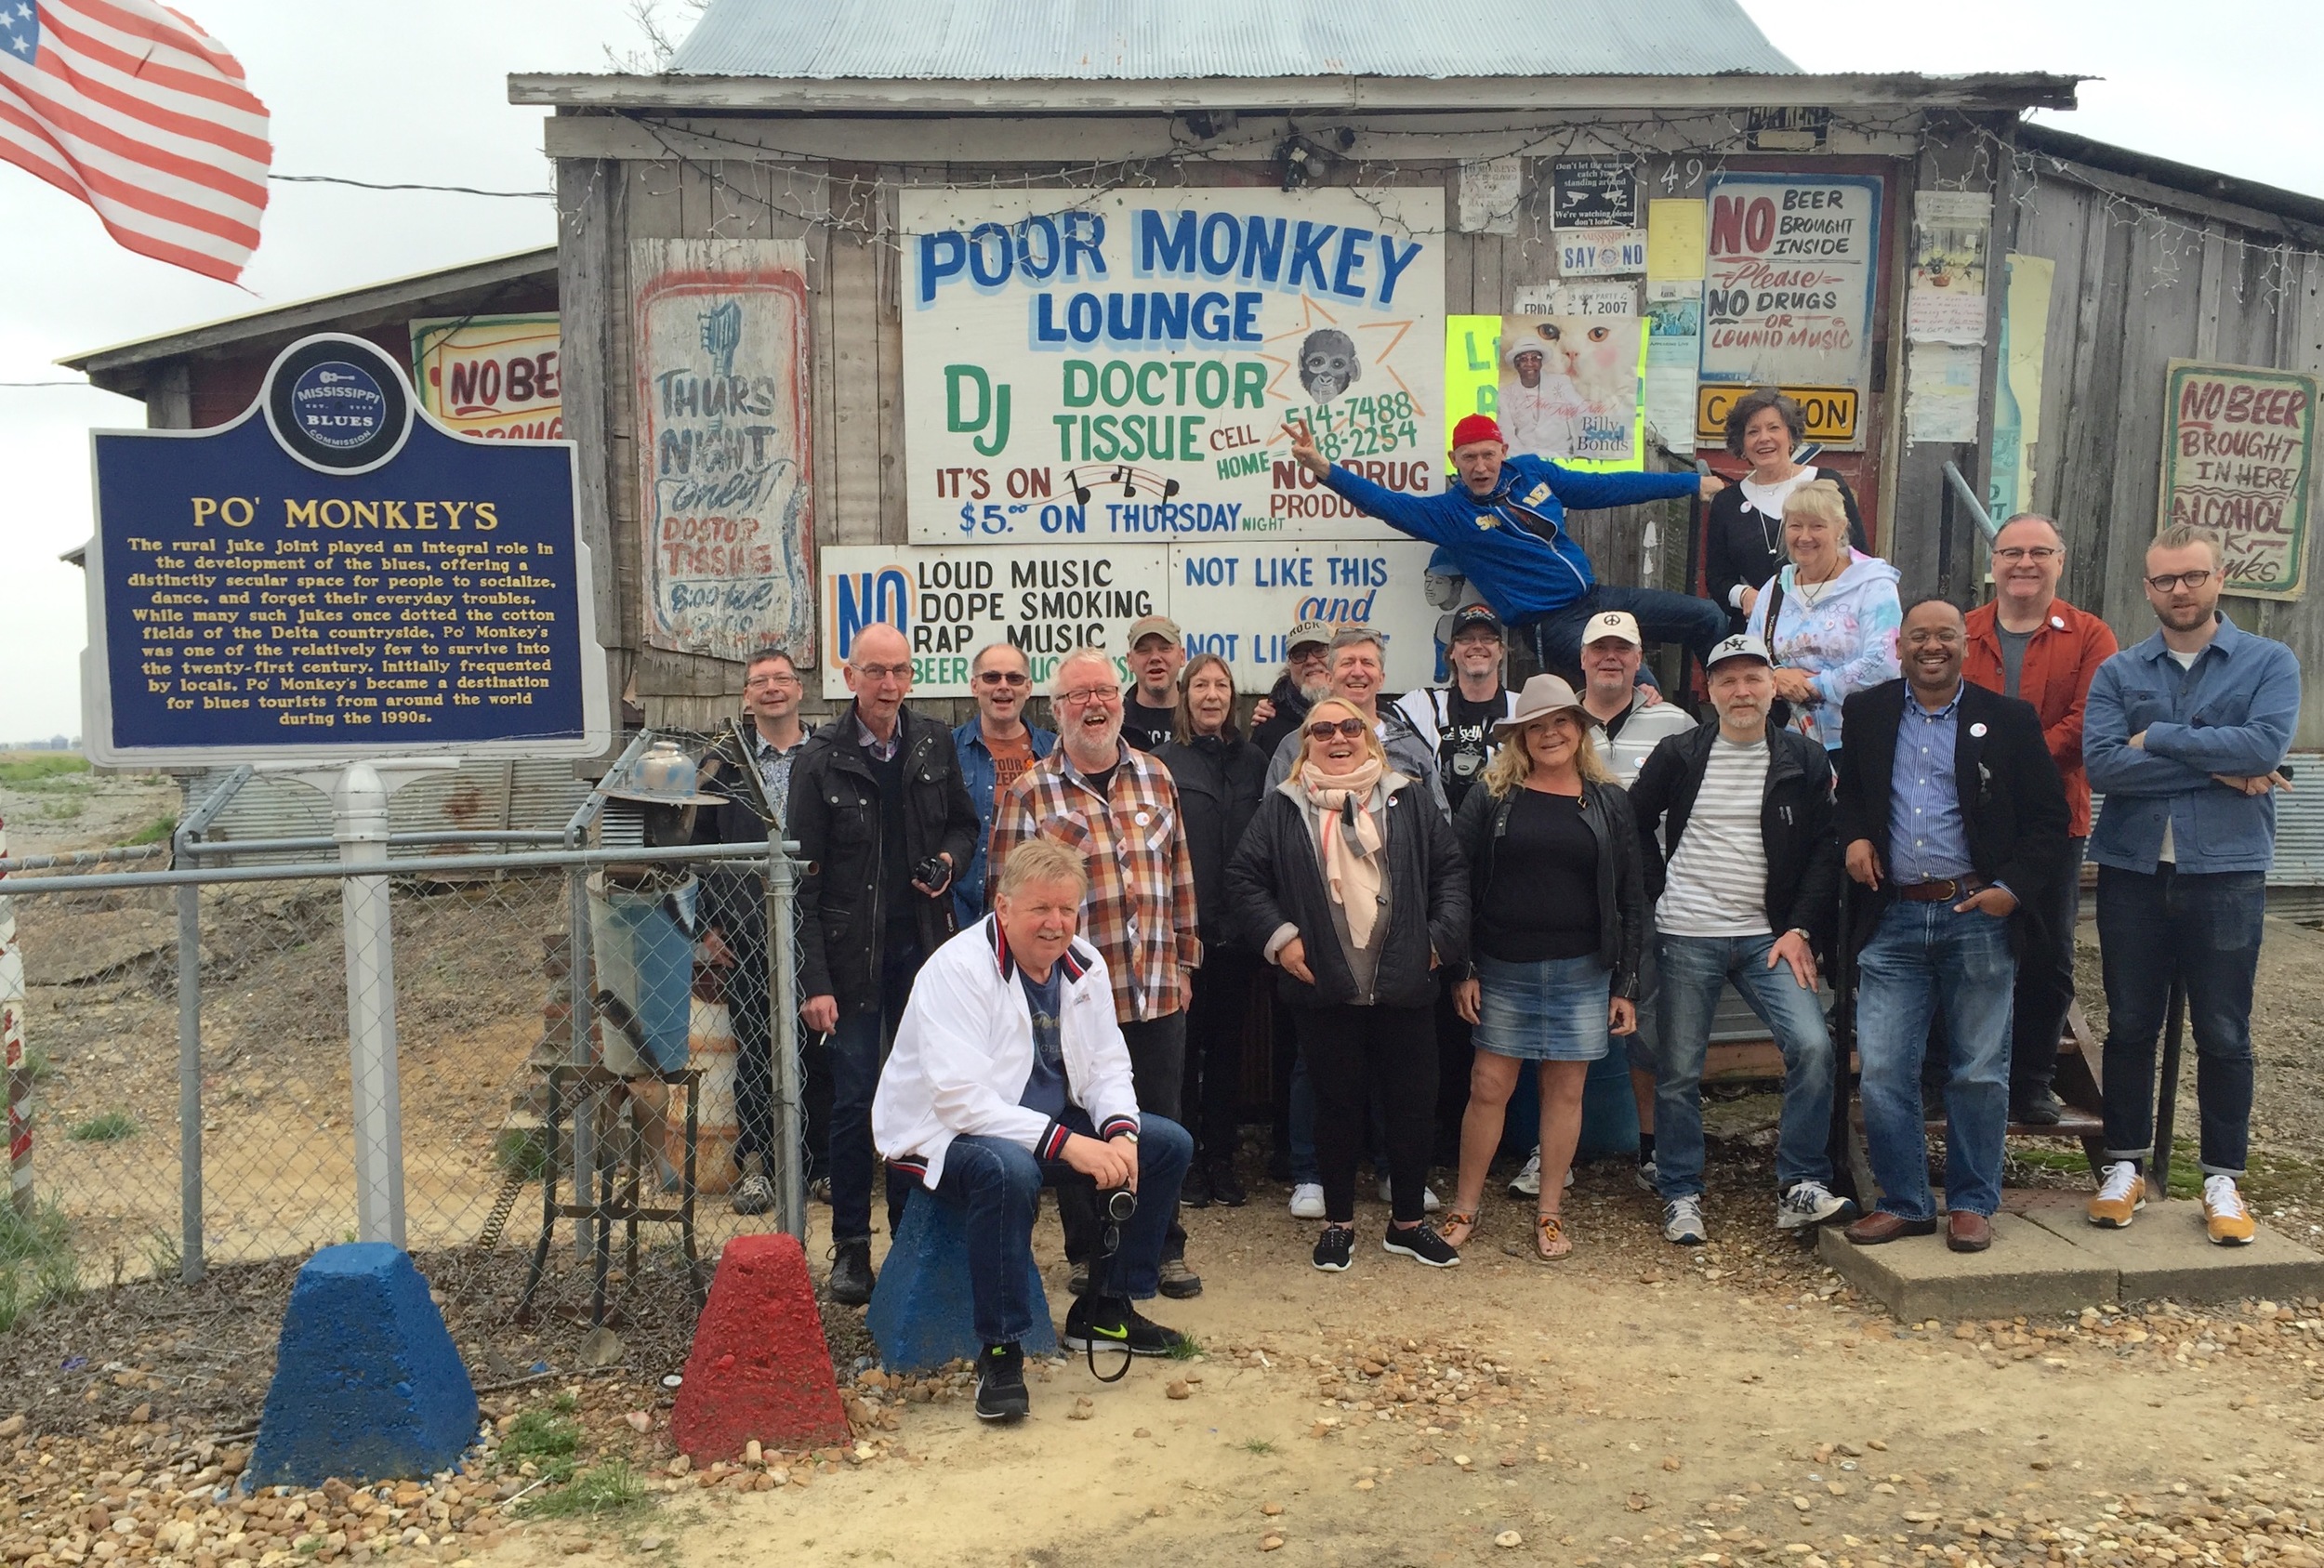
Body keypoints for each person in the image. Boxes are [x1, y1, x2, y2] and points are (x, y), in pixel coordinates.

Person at [874, 837, 1195, 1422]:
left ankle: (1104, 1310)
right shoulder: (958, 968)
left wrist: (1119, 1134)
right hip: (942, 1132)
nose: (1056, 924)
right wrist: (1072, 1146)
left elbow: (1106, 1067)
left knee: (1166, 1145)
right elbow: (959, 1100)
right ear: (1001, 905)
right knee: (1008, 1169)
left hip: (1040, 1121)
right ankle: (1000, 1349)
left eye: (1067, 910)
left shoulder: (1085, 965)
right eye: (1040, 909)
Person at [2082, 524, 2299, 1245]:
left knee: (2225, 1030)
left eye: (2194, 576)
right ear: (2149, 587)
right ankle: (2123, 1165)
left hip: (2227, 872)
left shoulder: (2270, 661)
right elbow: (2106, 767)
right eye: (2167, 579)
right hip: (2134, 870)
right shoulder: (2119, 671)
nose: (2181, 590)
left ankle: (2222, 1177)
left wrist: (2161, 739)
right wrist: (2220, 764)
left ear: (2219, 577)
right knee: (2130, 1024)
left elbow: (2265, 747)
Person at [1835, 598, 2067, 1255]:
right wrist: (1853, 835)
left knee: (1978, 1071)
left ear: (1967, 644)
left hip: (1976, 916)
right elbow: (1850, 792)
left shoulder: (2009, 719)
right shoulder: (1869, 712)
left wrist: (2011, 890)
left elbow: (2050, 822)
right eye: (1918, 636)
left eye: (1944, 635)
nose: (1930, 646)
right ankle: (1906, 1200)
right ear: (1899, 644)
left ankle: (1970, 1202)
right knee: (1882, 1069)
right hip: (1896, 913)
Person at [989, 648, 1206, 1298]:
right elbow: (1002, 897)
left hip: (1158, 986)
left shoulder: (1157, 777)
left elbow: (1180, 874)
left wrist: (1186, 958)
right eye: (1078, 695)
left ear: (1121, 697)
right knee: (1083, 1125)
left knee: (1158, 1122)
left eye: (1104, 691)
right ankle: (1090, 1253)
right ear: (1056, 710)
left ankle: (1162, 1248)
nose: (1094, 704)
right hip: (1074, 999)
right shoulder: (1030, 791)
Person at [1226, 696, 1470, 1272]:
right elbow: (1243, 879)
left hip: (1405, 982)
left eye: (1351, 727)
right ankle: (1339, 1224)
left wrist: (1436, 942)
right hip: (1326, 986)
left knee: (1411, 1106)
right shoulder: (1283, 808)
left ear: (1369, 737)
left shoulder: (1406, 797)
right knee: (1335, 1106)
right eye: (1324, 730)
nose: (1339, 738)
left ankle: (1407, 1224)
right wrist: (1282, 940)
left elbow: (1452, 872)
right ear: (1306, 742)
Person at [1629, 635, 1852, 1245]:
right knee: (1677, 1069)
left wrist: (1800, 926)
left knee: (1811, 1045)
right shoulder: (1680, 752)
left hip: (1769, 939)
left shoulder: (1803, 757)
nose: (1741, 691)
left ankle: (1801, 1181)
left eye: (1753, 678)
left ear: (1771, 684)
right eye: (1727, 680)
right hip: (1687, 932)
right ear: (1710, 691)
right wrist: (1659, 889)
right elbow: (1631, 820)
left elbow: (1826, 848)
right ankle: (1680, 1190)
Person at [789, 623, 982, 1303]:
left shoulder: (933, 740)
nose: (889, 684)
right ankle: (850, 1247)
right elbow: (800, 884)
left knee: (922, 1096)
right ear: (850, 677)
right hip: (851, 960)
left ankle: (910, 1235)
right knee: (855, 1102)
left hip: (924, 953)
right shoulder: (820, 758)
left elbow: (966, 824)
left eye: (900, 671)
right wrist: (813, 980)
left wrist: (949, 860)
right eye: (876, 671)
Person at [1283, 413, 1727, 683]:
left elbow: (1606, 487)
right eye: (1468, 457)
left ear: (1503, 451)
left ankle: (1727, 702)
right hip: (1551, 625)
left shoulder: (1532, 474)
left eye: (1487, 455)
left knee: (1707, 616)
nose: (1480, 466)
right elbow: (1386, 504)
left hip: (1599, 598)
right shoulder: (1451, 515)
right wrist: (1325, 469)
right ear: (1454, 461)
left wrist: (1690, 482)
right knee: (1632, 679)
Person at [1443, 675, 1645, 1261]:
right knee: (1489, 1087)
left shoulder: (1608, 799)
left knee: (1565, 1092)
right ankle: (1465, 1206)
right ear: (1520, 737)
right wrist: (1463, 968)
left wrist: (1626, 983)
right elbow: (1456, 881)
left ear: (1579, 729)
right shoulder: (1491, 793)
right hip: (1503, 967)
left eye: (1561, 722)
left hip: (1584, 970)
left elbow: (1632, 897)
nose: (1550, 734)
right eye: (1536, 726)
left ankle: (1550, 1213)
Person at [1961, 513, 2119, 1125]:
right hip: (1968, 818)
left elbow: (2091, 721)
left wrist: (2012, 763)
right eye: (2011, 552)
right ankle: (1950, 1070)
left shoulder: (2090, 636)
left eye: (2038, 552)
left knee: (2047, 952)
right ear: (1994, 563)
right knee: (1960, 944)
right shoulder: (1965, 630)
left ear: (2059, 560)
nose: (2023, 563)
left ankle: (2030, 1079)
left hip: (2056, 819)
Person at [694, 648, 812, 1215]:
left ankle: (817, 1169)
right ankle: (757, 1168)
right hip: (746, 928)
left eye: (781, 679)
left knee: (824, 1047)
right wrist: (709, 927)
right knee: (755, 1048)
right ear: (747, 696)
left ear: (799, 690)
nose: (771, 689)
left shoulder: (827, 755)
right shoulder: (725, 764)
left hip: (818, 926)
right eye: (760, 682)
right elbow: (699, 850)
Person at [1155, 652, 1269, 1208]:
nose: (1211, 695)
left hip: (1239, 933)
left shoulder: (1255, 762)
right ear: (1184, 695)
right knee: (1181, 1050)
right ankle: (1185, 1159)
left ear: (1233, 697)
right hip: (1183, 935)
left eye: (1221, 685)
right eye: (1200, 685)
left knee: (1227, 1052)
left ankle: (1220, 1158)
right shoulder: (1162, 763)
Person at [1744, 478, 1900, 758]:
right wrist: (1777, 677)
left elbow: (1884, 664)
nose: (1805, 537)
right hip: (1785, 745)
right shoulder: (1775, 589)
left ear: (1840, 528)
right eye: (1795, 526)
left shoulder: (1873, 584)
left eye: (1817, 525)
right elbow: (1750, 658)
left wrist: (1811, 687)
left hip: (1858, 742)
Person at [1704, 388, 1869, 635]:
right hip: (1757, 631)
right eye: (1752, 432)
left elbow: (1859, 556)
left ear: (1791, 436)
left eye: (1774, 428)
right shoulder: (1727, 502)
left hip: (1829, 625)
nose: (1764, 438)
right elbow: (1717, 579)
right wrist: (1745, 595)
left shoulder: (1825, 483)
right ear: (1742, 444)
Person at [1264, 628, 1446, 818]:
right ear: (1329, 679)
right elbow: (1271, 824)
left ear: (1381, 679)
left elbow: (1440, 823)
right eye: (1348, 663)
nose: (1358, 672)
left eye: (1367, 663)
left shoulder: (1411, 748)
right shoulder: (1294, 747)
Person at [951, 641, 1058, 928]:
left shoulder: (1055, 752)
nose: (1003, 686)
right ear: (974, 686)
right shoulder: (947, 750)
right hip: (962, 913)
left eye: (1014, 678)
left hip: (1035, 912)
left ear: (1028, 687)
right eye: (991, 677)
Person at [1394, 602, 1518, 814]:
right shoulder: (1421, 705)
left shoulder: (1523, 708)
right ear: (1451, 651)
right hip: (1436, 840)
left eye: (1488, 638)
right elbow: (1371, 723)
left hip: (1501, 839)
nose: (1477, 645)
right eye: (1466, 638)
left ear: (1501, 651)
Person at [1251, 617, 1335, 758]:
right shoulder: (1269, 724)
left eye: (1320, 650)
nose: (1311, 660)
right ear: (1289, 665)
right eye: (1299, 655)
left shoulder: (1365, 710)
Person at [1120, 614, 1184, 753]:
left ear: (1182, 656)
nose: (1155, 658)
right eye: (1144, 650)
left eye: (1165, 648)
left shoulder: (1200, 720)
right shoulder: (1115, 724)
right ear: (1130, 661)